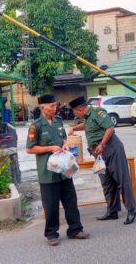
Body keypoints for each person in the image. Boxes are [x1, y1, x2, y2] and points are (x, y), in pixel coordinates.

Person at [26, 94, 89, 246]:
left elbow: (63, 138)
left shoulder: (59, 121)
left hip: (64, 169)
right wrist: (49, 148)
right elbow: (29, 149)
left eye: (55, 105)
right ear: (42, 107)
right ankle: (51, 234)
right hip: (48, 172)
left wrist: (65, 144)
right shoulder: (36, 126)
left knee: (70, 200)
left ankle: (75, 230)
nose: (55, 108)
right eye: (51, 106)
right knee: (51, 204)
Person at [68, 96, 136, 225]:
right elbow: (88, 125)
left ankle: (132, 209)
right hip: (98, 153)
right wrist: (74, 129)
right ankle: (112, 211)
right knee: (106, 182)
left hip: (110, 148)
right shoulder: (88, 117)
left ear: (79, 109)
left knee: (121, 179)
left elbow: (110, 128)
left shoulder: (97, 112)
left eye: (74, 112)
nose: (74, 114)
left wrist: (102, 144)